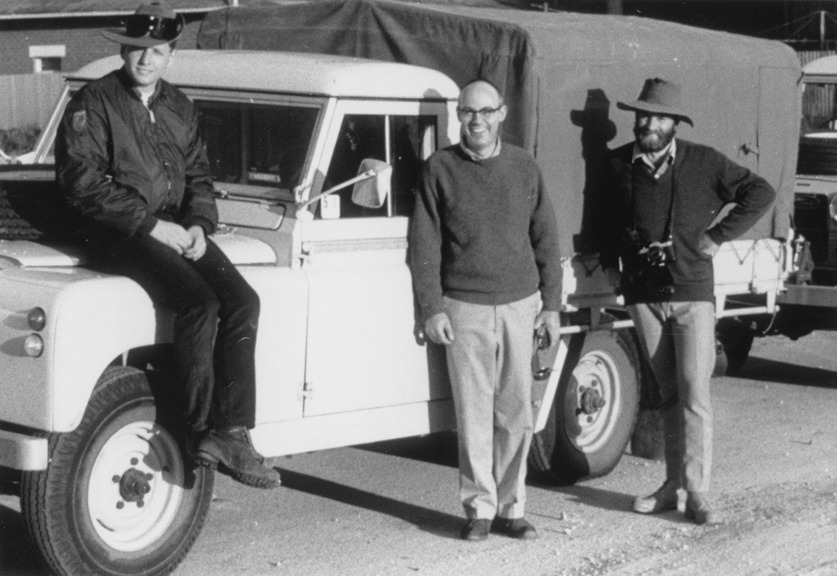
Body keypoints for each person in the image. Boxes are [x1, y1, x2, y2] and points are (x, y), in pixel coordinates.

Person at [55, 0, 280, 489]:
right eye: (138, 49)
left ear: (171, 55)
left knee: (243, 302)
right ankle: (197, 427)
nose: (147, 60)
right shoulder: (95, 102)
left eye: (158, 51)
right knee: (199, 302)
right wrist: (152, 225)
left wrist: (200, 223)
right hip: (118, 231)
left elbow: (199, 176)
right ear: (125, 50)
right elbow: (81, 183)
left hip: (179, 227)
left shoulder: (179, 106)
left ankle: (232, 431)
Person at [600, 78, 775, 524]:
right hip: (645, 294)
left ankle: (698, 492)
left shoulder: (703, 162)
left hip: (691, 292)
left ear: (675, 124)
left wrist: (717, 236)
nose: (647, 124)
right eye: (642, 115)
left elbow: (761, 192)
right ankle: (671, 485)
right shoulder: (618, 164)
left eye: (658, 117)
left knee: (696, 391)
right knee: (667, 393)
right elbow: (603, 220)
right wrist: (616, 262)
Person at [410, 79, 562, 542]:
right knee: (473, 415)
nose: (475, 120)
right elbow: (423, 245)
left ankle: (512, 509)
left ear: (502, 114)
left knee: (516, 413)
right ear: (459, 116)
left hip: (521, 305)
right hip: (464, 309)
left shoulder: (524, 167)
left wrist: (551, 307)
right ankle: (479, 508)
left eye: (484, 111)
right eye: (466, 112)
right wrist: (432, 309)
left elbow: (547, 240)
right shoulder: (439, 169)